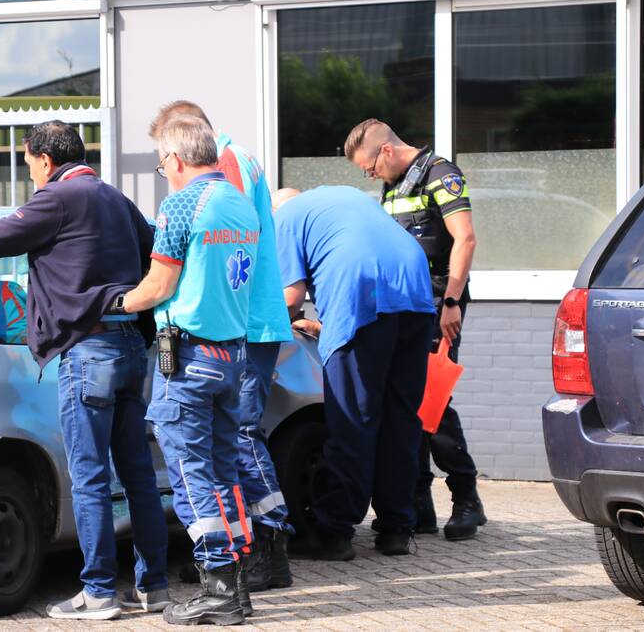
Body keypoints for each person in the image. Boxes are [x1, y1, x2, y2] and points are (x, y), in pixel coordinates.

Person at [0, 120, 170, 620]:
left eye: (28, 164)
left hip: (87, 353)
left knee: (88, 477)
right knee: (138, 476)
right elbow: (156, 251)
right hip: (130, 346)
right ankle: (154, 586)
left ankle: (100, 592)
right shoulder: (116, 198)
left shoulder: (57, 198)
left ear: (44, 160)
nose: (31, 175)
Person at [149, 101, 294, 593]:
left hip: (224, 329)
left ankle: (256, 557)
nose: (165, 172)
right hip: (244, 326)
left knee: (226, 451)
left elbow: (184, 268)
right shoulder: (241, 167)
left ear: (179, 150)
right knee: (230, 448)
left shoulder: (213, 178)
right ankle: (244, 559)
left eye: (162, 160)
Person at [122, 114, 259, 626]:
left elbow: (157, 286)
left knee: (189, 474)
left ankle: (217, 589)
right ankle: (238, 586)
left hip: (189, 358)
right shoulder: (240, 204)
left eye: (162, 165)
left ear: (175, 159)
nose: (165, 173)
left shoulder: (182, 205)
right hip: (231, 358)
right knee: (225, 472)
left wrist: (112, 303)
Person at [273, 186, 435, 559]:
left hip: (362, 287)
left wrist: (262, 336)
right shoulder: (342, 197)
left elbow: (291, 298)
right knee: (400, 418)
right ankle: (397, 529)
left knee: (352, 417)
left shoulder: (284, 217)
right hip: (415, 287)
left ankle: (333, 532)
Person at [344, 118, 485, 541]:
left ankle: (466, 498)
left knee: (433, 405)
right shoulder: (393, 187)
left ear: (385, 151)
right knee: (405, 405)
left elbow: (465, 240)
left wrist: (452, 301)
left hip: (438, 306)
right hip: (401, 308)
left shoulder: (441, 174)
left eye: (369, 167)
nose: (369, 176)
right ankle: (416, 504)